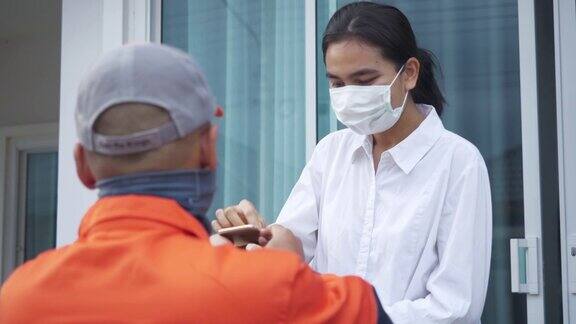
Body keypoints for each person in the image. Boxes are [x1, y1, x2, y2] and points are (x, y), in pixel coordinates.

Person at [0, 43, 391, 323]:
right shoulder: (272, 289)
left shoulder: (17, 300)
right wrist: (270, 268)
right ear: (209, 150)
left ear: (83, 167)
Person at [214, 3, 492, 324]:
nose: (349, 94)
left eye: (364, 80)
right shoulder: (331, 152)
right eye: (337, 83)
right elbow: (294, 242)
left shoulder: (457, 163)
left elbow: (457, 307)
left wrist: (351, 314)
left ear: (410, 73)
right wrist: (260, 239)